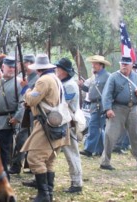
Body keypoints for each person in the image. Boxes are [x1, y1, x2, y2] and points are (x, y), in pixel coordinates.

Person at [21, 54, 71, 202]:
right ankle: (48, 194)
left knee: (34, 157)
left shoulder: (43, 80)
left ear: (38, 69)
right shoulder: (55, 78)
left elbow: (31, 99)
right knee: (49, 159)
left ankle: (44, 195)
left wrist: (26, 89)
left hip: (46, 124)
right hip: (56, 124)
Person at [100, 56, 137, 171]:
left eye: (126, 64)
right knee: (110, 135)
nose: (124, 66)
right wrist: (108, 109)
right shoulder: (113, 77)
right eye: (122, 64)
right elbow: (107, 94)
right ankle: (105, 162)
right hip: (117, 109)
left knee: (136, 135)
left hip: (133, 109)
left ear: (131, 65)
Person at [0, 56, 24, 181]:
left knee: (2, 151)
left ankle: (4, 178)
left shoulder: (20, 82)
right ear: (2, 67)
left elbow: (23, 102)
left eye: (14, 67)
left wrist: (17, 118)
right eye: (9, 67)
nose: (11, 69)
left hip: (8, 121)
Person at [55, 57, 83, 193]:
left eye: (58, 69)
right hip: (61, 121)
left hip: (67, 122)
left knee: (72, 153)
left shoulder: (70, 85)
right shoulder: (63, 83)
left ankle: (77, 183)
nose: (56, 71)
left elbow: (62, 103)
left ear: (64, 71)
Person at [9, 54, 39, 175]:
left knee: (29, 140)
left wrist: (25, 87)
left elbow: (31, 97)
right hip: (26, 113)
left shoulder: (36, 79)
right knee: (22, 139)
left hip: (32, 113)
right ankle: (17, 165)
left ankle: (27, 165)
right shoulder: (26, 77)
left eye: (23, 63)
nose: (20, 66)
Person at [78, 55, 111, 157]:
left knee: (94, 126)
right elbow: (90, 90)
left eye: (95, 63)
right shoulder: (94, 77)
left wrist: (107, 106)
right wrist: (82, 86)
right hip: (94, 104)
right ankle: (100, 150)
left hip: (100, 105)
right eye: (93, 63)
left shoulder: (107, 76)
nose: (93, 65)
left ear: (101, 65)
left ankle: (89, 149)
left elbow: (109, 92)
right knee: (98, 128)